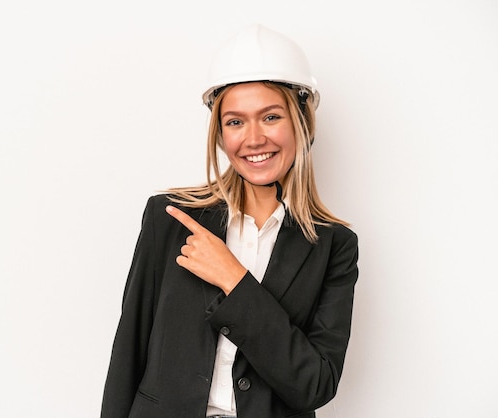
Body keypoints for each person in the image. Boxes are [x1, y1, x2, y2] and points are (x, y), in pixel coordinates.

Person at [100, 24, 359, 418]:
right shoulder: (169, 217)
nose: (253, 139)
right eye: (236, 121)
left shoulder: (333, 245)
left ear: (301, 122)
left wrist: (234, 279)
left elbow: (315, 385)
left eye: (270, 117)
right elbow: (128, 352)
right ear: (220, 134)